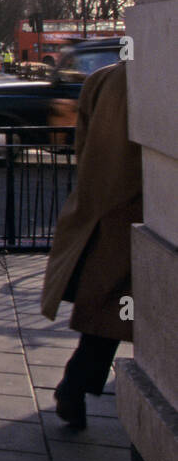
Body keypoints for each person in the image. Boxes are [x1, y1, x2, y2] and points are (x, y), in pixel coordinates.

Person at [41, 61, 140, 430]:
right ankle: (77, 386)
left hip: (101, 203)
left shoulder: (103, 77)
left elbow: (81, 144)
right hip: (140, 208)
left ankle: (75, 387)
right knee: (120, 312)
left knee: (106, 313)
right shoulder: (159, 75)